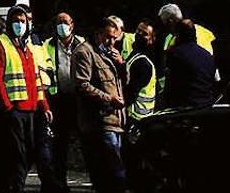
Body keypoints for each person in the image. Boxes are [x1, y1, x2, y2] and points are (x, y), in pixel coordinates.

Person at [0, 1, 59, 192]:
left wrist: (45, 106)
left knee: (28, 156)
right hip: (15, 111)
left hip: (32, 110)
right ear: (9, 23)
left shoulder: (26, 46)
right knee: (18, 156)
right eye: (16, 21)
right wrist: (8, 108)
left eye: (23, 21)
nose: (20, 24)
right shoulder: (0, 43)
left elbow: (36, 80)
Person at [72, 16, 128, 191]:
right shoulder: (85, 52)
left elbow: (122, 83)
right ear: (98, 34)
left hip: (116, 120)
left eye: (114, 38)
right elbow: (82, 85)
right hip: (99, 122)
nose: (111, 42)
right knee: (112, 172)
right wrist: (108, 99)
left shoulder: (110, 54)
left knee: (114, 171)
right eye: (108, 37)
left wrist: (121, 64)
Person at [37, 10, 85, 192]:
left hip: (80, 99)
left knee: (86, 140)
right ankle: (60, 183)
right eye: (58, 22)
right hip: (58, 100)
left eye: (65, 22)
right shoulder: (47, 45)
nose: (62, 26)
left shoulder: (82, 43)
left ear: (72, 25)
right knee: (59, 144)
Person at [161, 17, 220, 110]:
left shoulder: (175, 54)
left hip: (184, 109)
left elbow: (170, 83)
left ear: (178, 35)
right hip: (207, 107)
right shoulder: (208, 56)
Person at [125, 21, 158, 123]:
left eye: (144, 34)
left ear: (151, 40)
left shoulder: (143, 62)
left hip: (136, 116)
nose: (139, 35)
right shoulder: (136, 55)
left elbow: (132, 91)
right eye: (138, 31)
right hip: (138, 115)